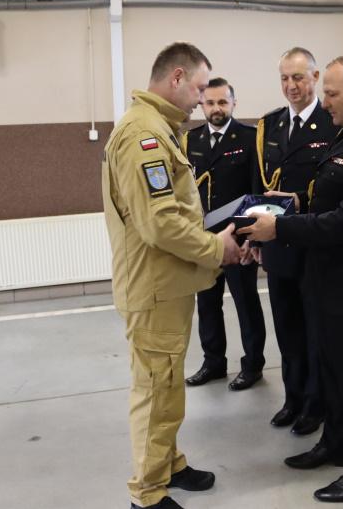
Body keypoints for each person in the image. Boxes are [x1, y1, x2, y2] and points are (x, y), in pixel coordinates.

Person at [239, 55, 343, 503]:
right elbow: (327, 194)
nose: (325, 101)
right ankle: (335, 444)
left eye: (331, 93)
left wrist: (281, 228)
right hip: (324, 279)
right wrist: (294, 201)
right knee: (331, 371)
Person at [102, 42, 241, 509]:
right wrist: (217, 249)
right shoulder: (143, 135)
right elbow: (159, 224)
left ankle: (168, 464)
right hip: (154, 289)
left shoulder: (159, 127)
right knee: (155, 388)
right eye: (200, 89)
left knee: (167, 384)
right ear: (177, 78)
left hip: (167, 285)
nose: (203, 100)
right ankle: (146, 493)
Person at [254, 47, 339, 435]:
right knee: (286, 329)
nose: (291, 86)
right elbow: (259, 187)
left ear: (315, 78)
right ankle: (293, 398)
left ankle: (315, 404)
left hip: (313, 245)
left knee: (313, 331)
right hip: (277, 246)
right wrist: (254, 239)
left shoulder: (332, 123)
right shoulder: (270, 125)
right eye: (285, 78)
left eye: (299, 78)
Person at [182, 78, 268, 391]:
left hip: (238, 238)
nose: (216, 108)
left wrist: (252, 239)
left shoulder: (251, 137)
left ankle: (253, 365)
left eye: (222, 102)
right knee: (207, 302)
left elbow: (257, 192)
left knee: (246, 303)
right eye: (210, 102)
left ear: (234, 103)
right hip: (205, 240)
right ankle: (214, 362)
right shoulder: (190, 141)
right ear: (201, 105)